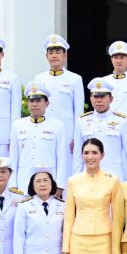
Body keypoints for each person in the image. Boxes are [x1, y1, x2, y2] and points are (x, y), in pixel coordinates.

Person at [10, 82, 69, 194]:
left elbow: (62, 157)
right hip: (24, 182)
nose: (34, 104)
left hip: (48, 183)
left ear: (47, 103)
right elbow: (13, 157)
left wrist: (60, 185)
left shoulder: (57, 125)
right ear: (27, 103)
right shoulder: (17, 125)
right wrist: (13, 184)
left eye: (38, 101)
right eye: (31, 101)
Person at [35, 34, 84, 162]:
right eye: (51, 52)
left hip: (67, 133)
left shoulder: (75, 79)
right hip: (44, 130)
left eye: (58, 52)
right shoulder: (39, 79)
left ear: (65, 55)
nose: (54, 55)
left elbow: (79, 112)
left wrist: (76, 137)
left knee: (66, 167)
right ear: (47, 56)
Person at [72, 78, 127, 180]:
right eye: (95, 96)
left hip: (113, 177)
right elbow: (77, 156)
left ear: (111, 99)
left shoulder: (122, 121)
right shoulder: (82, 121)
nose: (99, 100)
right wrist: (75, 180)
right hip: (88, 177)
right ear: (91, 98)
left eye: (102, 96)